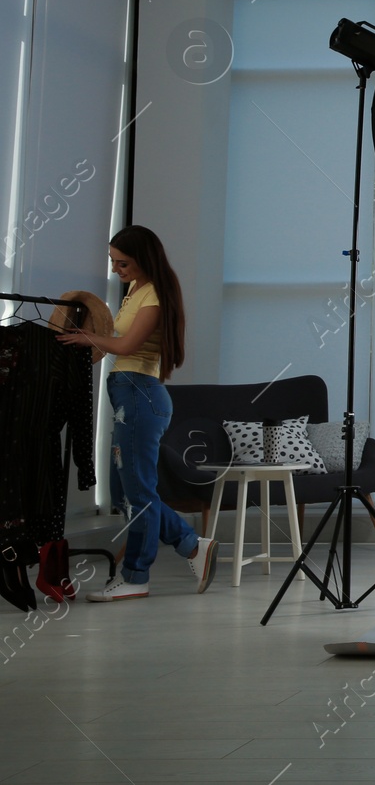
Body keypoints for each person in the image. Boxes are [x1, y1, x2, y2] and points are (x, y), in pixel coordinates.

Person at [57, 225, 217, 600]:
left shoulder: (155, 294)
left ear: (143, 259)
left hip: (141, 397)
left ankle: (135, 577)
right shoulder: (135, 289)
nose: (116, 269)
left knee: (138, 492)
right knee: (125, 493)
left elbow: (127, 343)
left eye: (122, 262)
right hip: (129, 397)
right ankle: (192, 545)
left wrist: (86, 338)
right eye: (113, 262)